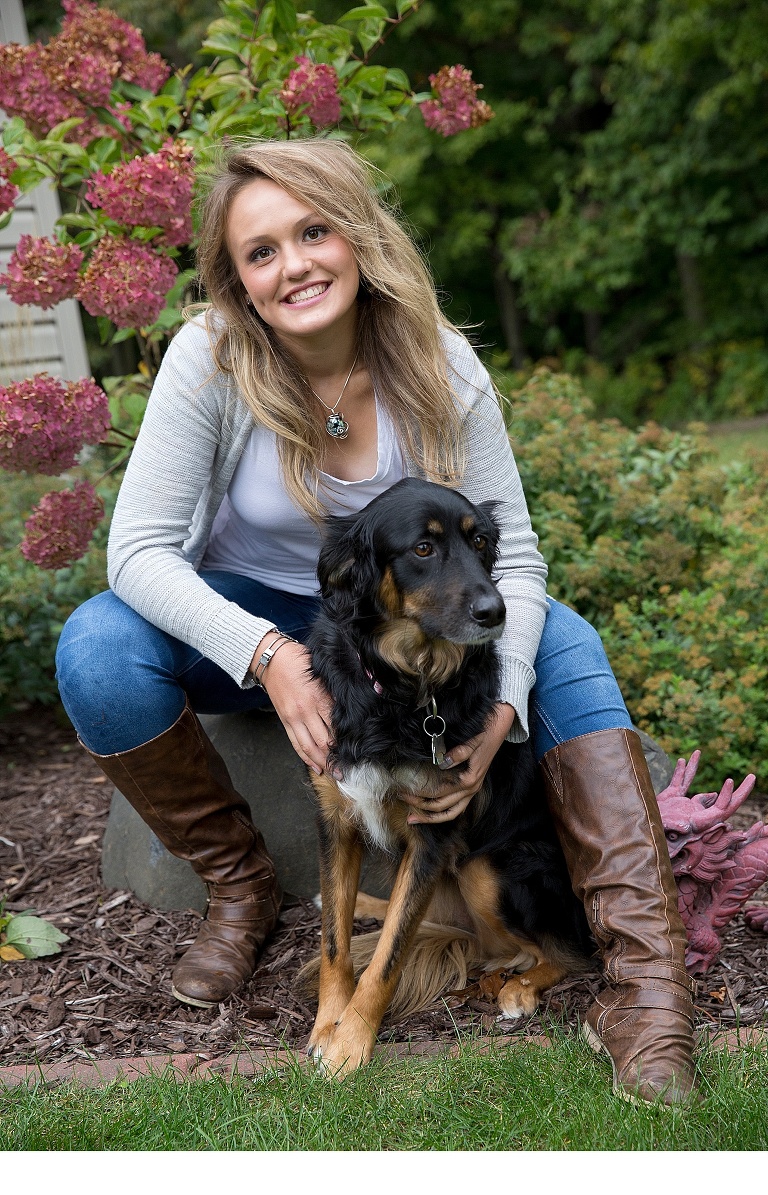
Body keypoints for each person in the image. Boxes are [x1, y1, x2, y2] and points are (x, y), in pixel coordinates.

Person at [55, 138, 695, 1104]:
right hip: (250, 612)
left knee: (564, 639)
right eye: (261, 251)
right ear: (237, 279)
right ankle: (243, 890)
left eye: (313, 231)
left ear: (358, 235)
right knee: (97, 648)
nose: (294, 265)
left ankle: (647, 986)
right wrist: (268, 654)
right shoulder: (210, 360)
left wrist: (501, 711)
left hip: (403, 626)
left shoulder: (438, 357)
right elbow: (137, 552)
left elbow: (516, 556)